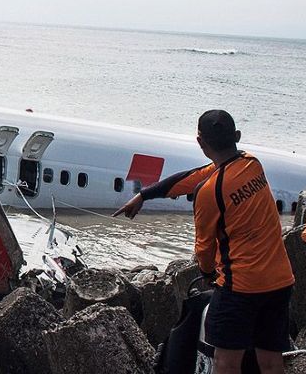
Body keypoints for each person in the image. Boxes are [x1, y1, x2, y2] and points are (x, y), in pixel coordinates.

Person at [113, 110, 294, 374]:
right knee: (270, 360)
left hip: (240, 288)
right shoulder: (253, 164)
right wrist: (145, 195)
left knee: (224, 361)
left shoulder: (210, 192)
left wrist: (209, 275)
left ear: (200, 142)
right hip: (279, 281)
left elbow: (204, 248)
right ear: (237, 136)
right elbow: (196, 176)